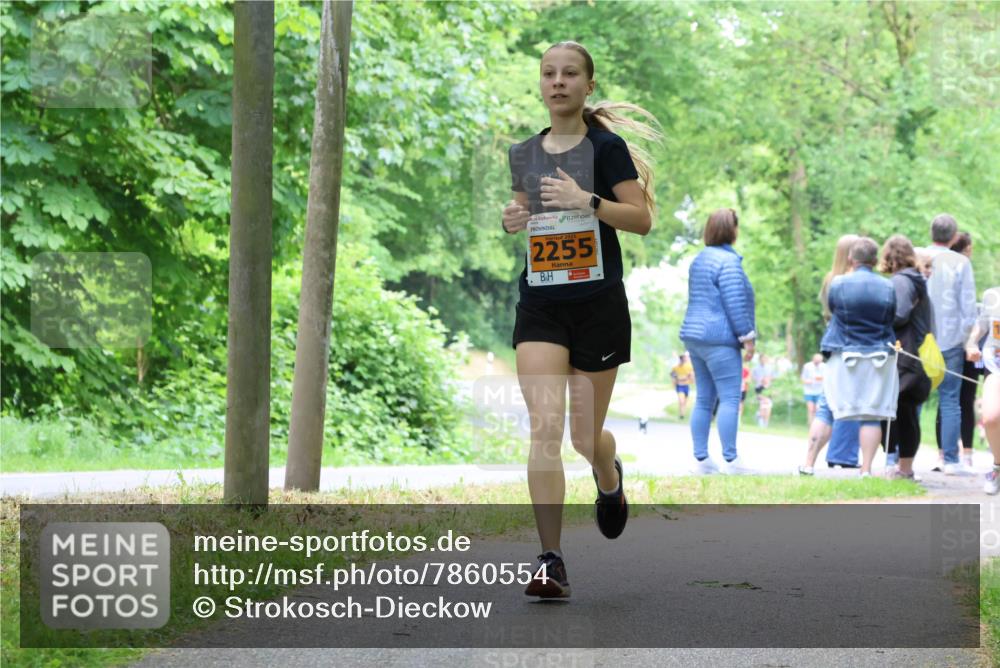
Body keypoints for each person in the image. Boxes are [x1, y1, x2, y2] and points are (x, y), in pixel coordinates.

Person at [502, 41, 659, 598]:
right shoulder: (524, 152)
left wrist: (585, 200)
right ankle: (551, 559)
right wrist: (514, 217)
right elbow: (524, 213)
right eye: (549, 73)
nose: (558, 81)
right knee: (545, 429)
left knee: (583, 437)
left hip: (598, 307)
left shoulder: (607, 147)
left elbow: (639, 220)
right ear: (540, 84)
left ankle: (608, 473)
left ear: (588, 85)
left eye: (570, 74)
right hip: (542, 304)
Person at [679, 208, 756, 475]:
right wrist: (747, 337)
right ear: (730, 229)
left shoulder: (699, 260)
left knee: (704, 399)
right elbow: (735, 303)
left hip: (694, 336)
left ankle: (702, 460)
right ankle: (732, 460)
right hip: (720, 338)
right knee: (730, 398)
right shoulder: (729, 262)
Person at [818, 237, 898, 477]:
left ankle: (809, 464)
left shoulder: (838, 284)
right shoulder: (887, 287)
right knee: (871, 413)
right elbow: (891, 315)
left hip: (844, 350)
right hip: (877, 352)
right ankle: (866, 469)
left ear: (852, 259)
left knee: (829, 407)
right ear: (875, 260)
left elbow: (833, 311)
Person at [799, 234, 861, 475]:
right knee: (850, 402)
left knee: (826, 405)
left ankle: (809, 461)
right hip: (853, 345)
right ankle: (843, 455)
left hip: (832, 343)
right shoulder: (854, 281)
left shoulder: (830, 279)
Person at [924, 215, 978, 475]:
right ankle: (951, 460)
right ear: (954, 236)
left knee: (910, 399)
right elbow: (968, 305)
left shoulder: (919, 256)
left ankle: (899, 457)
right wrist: (969, 338)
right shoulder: (961, 263)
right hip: (950, 338)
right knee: (950, 400)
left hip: (920, 339)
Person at [878, 235, 933, 480]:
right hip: (916, 352)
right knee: (906, 412)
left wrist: (879, 318)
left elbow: (899, 315)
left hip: (907, 355)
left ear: (890, 256)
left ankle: (903, 468)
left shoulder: (902, 281)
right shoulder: (915, 278)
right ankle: (904, 467)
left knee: (902, 411)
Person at [969, 287, 1000, 493]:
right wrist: (971, 343)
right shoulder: (992, 295)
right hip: (995, 364)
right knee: (990, 417)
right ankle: (997, 467)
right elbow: (981, 327)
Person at [801, 353, 826, 426]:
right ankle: (810, 424)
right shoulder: (807, 366)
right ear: (813, 359)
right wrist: (807, 381)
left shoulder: (824, 366)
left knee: (818, 409)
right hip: (809, 391)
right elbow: (803, 378)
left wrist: (821, 379)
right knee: (811, 409)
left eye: (819, 361)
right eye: (816, 361)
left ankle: (817, 424)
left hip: (820, 390)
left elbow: (827, 378)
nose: (817, 363)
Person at [752, 354, 775, 427]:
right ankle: (760, 419)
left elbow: (773, 377)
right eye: (762, 359)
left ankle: (766, 423)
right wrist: (760, 380)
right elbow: (753, 378)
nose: (763, 360)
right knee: (762, 405)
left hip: (768, 387)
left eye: (765, 359)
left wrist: (768, 379)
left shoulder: (770, 367)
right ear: (759, 359)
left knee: (768, 406)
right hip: (759, 387)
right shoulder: (755, 368)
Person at [670, 352, 694, 419]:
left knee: (685, 402)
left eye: (684, 359)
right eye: (682, 359)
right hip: (679, 386)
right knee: (681, 400)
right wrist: (675, 381)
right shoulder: (675, 368)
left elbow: (691, 376)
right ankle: (681, 415)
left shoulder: (689, 367)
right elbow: (672, 375)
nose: (683, 360)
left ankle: (682, 413)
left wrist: (689, 379)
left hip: (686, 386)